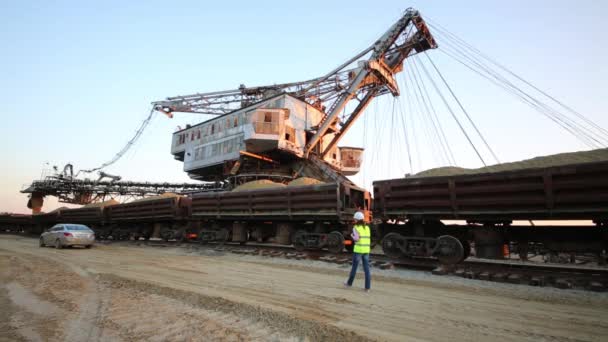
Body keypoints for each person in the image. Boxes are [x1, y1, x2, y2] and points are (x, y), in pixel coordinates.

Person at [344, 211, 371, 292]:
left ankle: (349, 283)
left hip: (358, 250)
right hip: (366, 250)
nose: (354, 220)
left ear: (357, 220)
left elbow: (356, 239)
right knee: (366, 269)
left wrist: (352, 235)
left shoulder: (356, 228)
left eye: (355, 219)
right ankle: (367, 288)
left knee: (354, 268)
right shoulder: (367, 228)